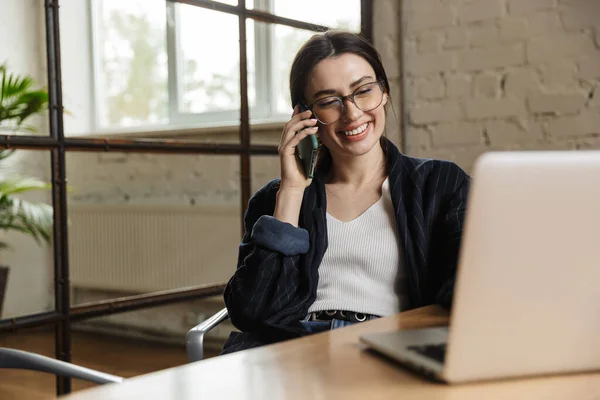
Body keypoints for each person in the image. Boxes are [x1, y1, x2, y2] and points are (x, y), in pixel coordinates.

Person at [221, 30, 470, 354]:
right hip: (294, 354)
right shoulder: (274, 199)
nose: (352, 113)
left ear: (384, 90)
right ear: (303, 115)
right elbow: (252, 311)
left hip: (387, 348)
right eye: (329, 102)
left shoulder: (440, 184)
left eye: (363, 91)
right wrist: (292, 191)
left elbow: (467, 292)